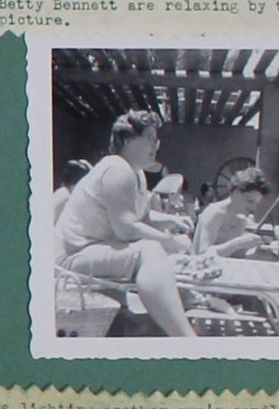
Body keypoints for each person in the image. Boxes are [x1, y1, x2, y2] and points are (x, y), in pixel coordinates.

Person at [53, 107, 195, 339]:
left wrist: (172, 220)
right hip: (70, 259)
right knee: (148, 250)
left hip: (94, 249)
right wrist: (170, 241)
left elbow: (141, 217)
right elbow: (126, 229)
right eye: (149, 138)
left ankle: (166, 322)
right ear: (128, 140)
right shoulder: (117, 168)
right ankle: (184, 337)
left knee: (159, 253)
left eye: (157, 140)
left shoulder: (136, 173)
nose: (156, 145)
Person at [194, 165, 273, 256]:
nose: (253, 208)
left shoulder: (241, 219)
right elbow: (203, 254)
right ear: (236, 192)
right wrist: (238, 244)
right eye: (250, 201)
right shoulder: (215, 213)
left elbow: (235, 255)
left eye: (256, 204)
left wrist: (256, 250)